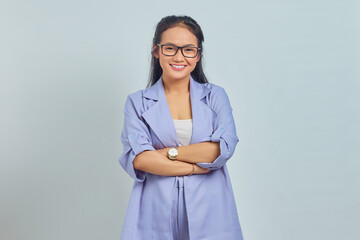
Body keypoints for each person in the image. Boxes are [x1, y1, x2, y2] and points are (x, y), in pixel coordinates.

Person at [118, 15, 244, 240]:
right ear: (156, 51)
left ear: (197, 55)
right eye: (170, 48)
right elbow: (140, 160)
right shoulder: (137, 102)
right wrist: (194, 168)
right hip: (154, 209)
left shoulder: (215, 96)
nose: (179, 56)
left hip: (210, 207)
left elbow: (220, 149)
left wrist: (165, 155)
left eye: (188, 49)